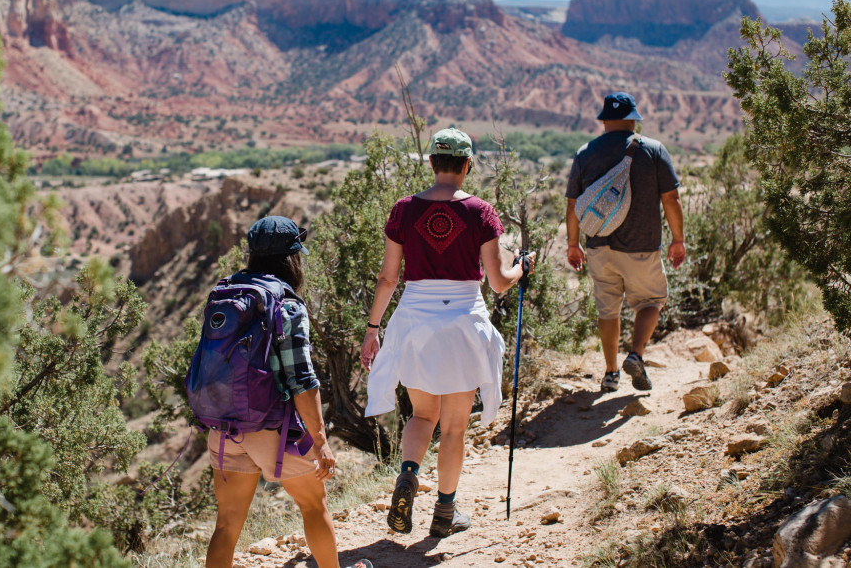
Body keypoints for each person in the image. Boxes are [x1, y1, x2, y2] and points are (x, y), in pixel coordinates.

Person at [360, 128, 534, 538]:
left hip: (415, 318)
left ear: (433, 164)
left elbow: (388, 278)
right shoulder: (481, 212)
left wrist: (373, 329)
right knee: (455, 426)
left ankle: (407, 475)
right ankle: (444, 513)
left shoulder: (403, 210)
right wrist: (522, 267)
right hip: (462, 320)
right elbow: (497, 281)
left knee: (423, 414)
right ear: (467, 165)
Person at [205, 216, 372, 568]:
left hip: (225, 427)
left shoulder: (224, 293)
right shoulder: (287, 304)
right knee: (313, 505)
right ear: (290, 259)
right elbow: (302, 379)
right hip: (275, 431)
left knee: (227, 524)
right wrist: (321, 439)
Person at [565, 92, 686, 393]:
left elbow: (572, 205)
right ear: (634, 119)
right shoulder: (653, 150)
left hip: (598, 246)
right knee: (651, 301)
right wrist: (678, 239)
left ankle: (610, 373)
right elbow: (671, 199)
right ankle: (636, 355)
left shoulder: (585, 153)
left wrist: (572, 244)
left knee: (608, 310)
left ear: (604, 121)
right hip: (642, 247)